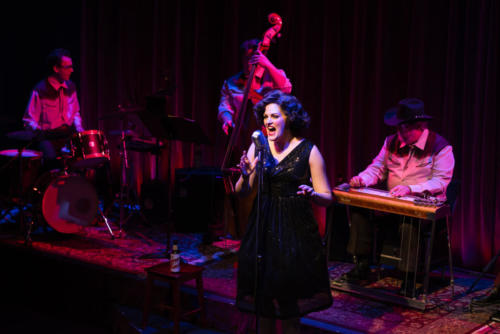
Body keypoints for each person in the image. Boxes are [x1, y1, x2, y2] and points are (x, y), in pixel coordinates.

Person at [235, 90, 333, 333]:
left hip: (295, 231)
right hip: (264, 225)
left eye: (274, 116)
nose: (268, 121)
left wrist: (312, 194)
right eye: (265, 116)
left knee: (290, 304)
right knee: (264, 301)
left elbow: (327, 197)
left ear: (289, 118)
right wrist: (246, 175)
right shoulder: (258, 147)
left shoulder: (309, 150)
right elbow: (242, 192)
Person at [345, 97, 455, 297]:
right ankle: (361, 265)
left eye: (406, 129)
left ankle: (408, 278)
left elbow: (441, 181)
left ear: (420, 126)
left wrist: (410, 188)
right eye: (399, 129)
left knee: (409, 221)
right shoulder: (391, 142)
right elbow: (377, 168)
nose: (401, 134)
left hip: (422, 211)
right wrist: (362, 179)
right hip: (391, 206)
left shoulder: (441, 146)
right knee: (359, 209)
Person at [23, 48, 83, 167]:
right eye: (68, 67)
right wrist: (40, 133)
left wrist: (80, 129)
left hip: (66, 134)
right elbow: (29, 120)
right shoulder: (40, 90)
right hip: (48, 137)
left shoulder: (71, 87)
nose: (72, 70)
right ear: (56, 69)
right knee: (52, 161)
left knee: (84, 157)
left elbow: (75, 112)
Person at [218, 38, 292, 136]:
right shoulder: (231, 83)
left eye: (252, 57)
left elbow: (286, 89)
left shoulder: (272, 76)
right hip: (242, 136)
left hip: (271, 136)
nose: (250, 62)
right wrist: (227, 120)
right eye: (246, 57)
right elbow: (225, 107)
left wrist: (267, 64)